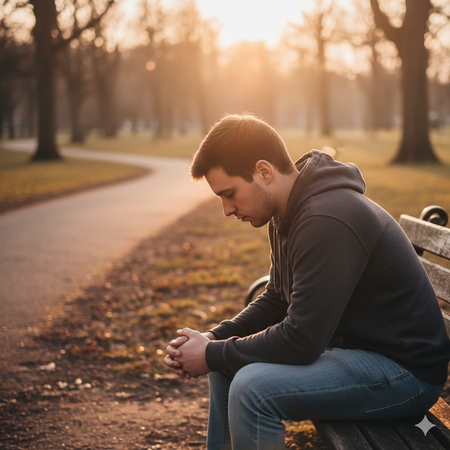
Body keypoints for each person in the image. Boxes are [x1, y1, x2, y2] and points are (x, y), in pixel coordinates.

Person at [164, 114, 450, 450]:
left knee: (251, 389)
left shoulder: (326, 218)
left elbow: (302, 339)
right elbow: (277, 298)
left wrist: (212, 353)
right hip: (360, 354)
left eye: (230, 194)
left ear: (264, 172)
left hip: (406, 374)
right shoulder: (285, 210)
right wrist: (214, 338)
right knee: (226, 366)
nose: (227, 209)